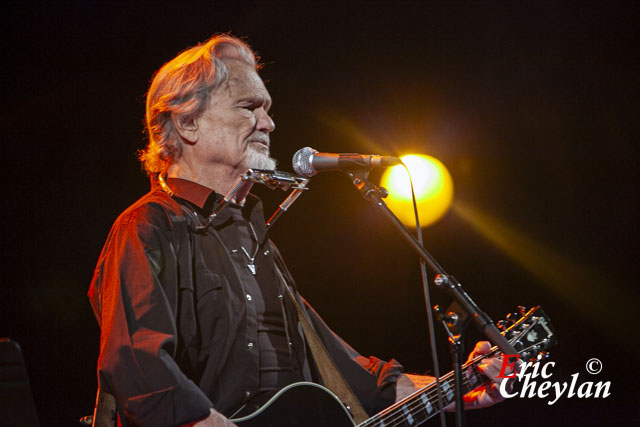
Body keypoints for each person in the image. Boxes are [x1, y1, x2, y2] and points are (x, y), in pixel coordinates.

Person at [88, 34, 509, 427]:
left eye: (268, 109)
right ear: (187, 124)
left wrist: (460, 385)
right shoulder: (148, 226)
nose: (268, 124)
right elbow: (137, 365)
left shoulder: (253, 240)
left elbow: (347, 373)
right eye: (248, 107)